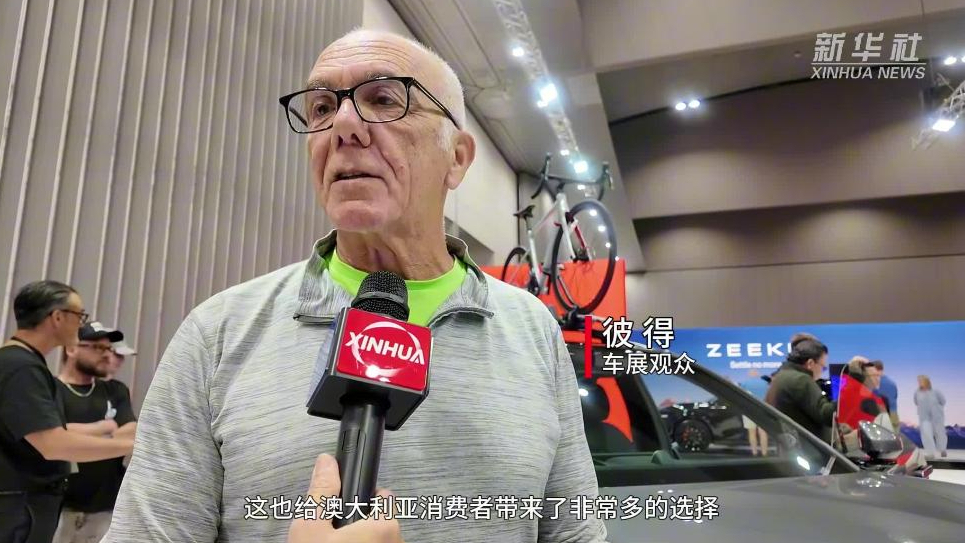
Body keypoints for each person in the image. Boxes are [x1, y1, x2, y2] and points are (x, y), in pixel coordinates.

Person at [104, 29, 607, 543]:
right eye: (321, 108)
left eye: (384, 99)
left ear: (456, 157)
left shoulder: (531, 328)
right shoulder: (218, 332)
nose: (342, 125)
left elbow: (575, 534)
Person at [0, 281, 135, 543]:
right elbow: (53, 444)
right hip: (18, 508)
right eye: (79, 315)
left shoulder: (24, 364)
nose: (80, 323)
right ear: (58, 317)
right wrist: (134, 445)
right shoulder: (21, 368)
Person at [52, 323, 137, 543]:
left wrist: (76, 439)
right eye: (98, 348)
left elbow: (131, 433)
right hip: (57, 506)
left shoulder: (115, 390)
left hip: (105, 506)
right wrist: (103, 427)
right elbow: (53, 438)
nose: (107, 354)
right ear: (72, 349)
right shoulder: (50, 389)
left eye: (108, 348)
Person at [765, 333, 835, 442]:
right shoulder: (800, 380)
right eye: (823, 367)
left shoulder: (782, 376)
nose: (822, 372)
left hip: (796, 445)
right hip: (810, 447)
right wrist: (846, 396)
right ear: (810, 363)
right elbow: (826, 416)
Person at [914, 375, 947, 459]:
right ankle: (930, 453)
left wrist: (936, 409)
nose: (919, 383)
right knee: (926, 434)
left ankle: (942, 449)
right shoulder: (917, 393)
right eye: (919, 381)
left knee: (939, 433)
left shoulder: (935, 391)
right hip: (924, 417)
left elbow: (943, 401)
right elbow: (916, 402)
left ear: (927, 381)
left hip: (937, 417)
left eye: (921, 381)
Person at [737, 369, 769, 456]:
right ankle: (764, 453)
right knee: (763, 432)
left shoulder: (744, 383)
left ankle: (754, 452)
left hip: (749, 411)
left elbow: (740, 397)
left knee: (751, 432)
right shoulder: (765, 384)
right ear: (758, 374)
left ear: (749, 375)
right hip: (763, 410)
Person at [871, 360, 899, 429]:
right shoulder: (892, 383)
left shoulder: (875, 384)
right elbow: (895, 396)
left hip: (882, 416)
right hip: (893, 415)